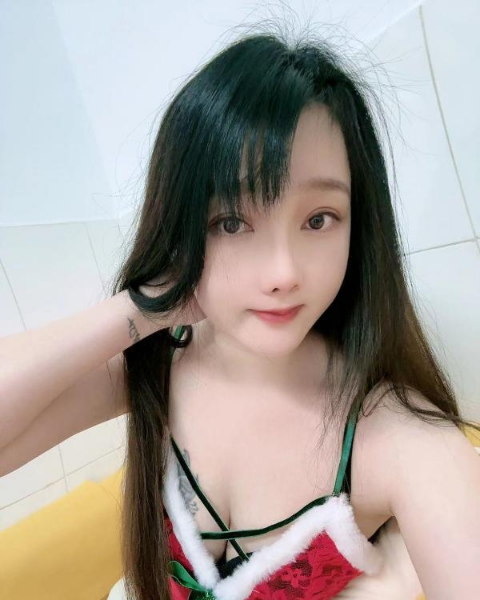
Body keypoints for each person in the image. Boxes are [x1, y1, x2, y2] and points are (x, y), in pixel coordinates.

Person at [1, 27, 479, 600]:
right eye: (231, 221)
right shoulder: (162, 362)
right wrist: (143, 307)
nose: (283, 271)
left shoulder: (402, 442)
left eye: (319, 219)